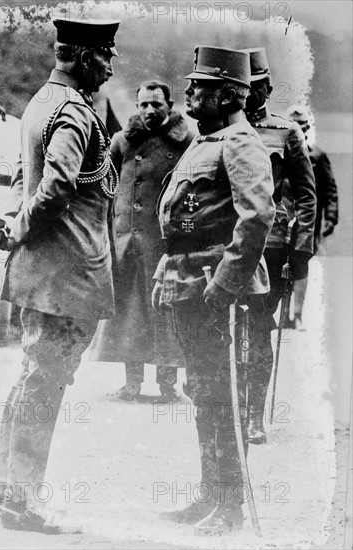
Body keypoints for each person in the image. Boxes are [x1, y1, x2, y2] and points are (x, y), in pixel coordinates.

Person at [0, 18, 121, 533]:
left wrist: (14, 228)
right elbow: (55, 189)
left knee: (32, 378)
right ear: (85, 57)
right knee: (44, 384)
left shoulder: (43, 102)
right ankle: (22, 501)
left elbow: (29, 178)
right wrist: (19, 229)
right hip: (67, 276)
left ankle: (6, 490)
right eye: (106, 57)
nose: (110, 68)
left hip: (47, 274)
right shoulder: (71, 112)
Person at [153, 46, 275, 534]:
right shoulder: (208, 139)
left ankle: (231, 510)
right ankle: (210, 496)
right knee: (203, 390)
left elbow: (257, 216)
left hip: (214, 287)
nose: (188, 93)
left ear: (228, 94)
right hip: (188, 279)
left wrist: (225, 285)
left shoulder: (240, 142)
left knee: (222, 394)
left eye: (198, 87)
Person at [87, 80, 193, 401]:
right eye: (144, 104)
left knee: (164, 312)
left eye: (156, 105)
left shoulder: (186, 141)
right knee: (130, 313)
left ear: (169, 106)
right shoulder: (122, 141)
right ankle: (132, 383)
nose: (149, 110)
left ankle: (167, 386)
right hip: (127, 244)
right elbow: (106, 186)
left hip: (163, 245)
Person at [243, 48, 316, 443]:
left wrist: (300, 247)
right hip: (225, 244)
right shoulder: (222, 129)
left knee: (257, 329)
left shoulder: (286, 132)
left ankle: (254, 415)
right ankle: (227, 407)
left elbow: (307, 195)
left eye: (256, 86)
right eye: (243, 86)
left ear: (268, 88)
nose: (248, 93)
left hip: (270, 247)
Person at [286, 105, 339, 328]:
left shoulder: (317, 155)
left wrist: (331, 217)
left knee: (301, 264)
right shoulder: (277, 153)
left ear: (308, 127)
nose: (299, 128)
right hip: (282, 220)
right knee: (280, 264)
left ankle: (296, 315)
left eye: (303, 125)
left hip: (309, 221)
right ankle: (278, 315)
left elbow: (329, 189)